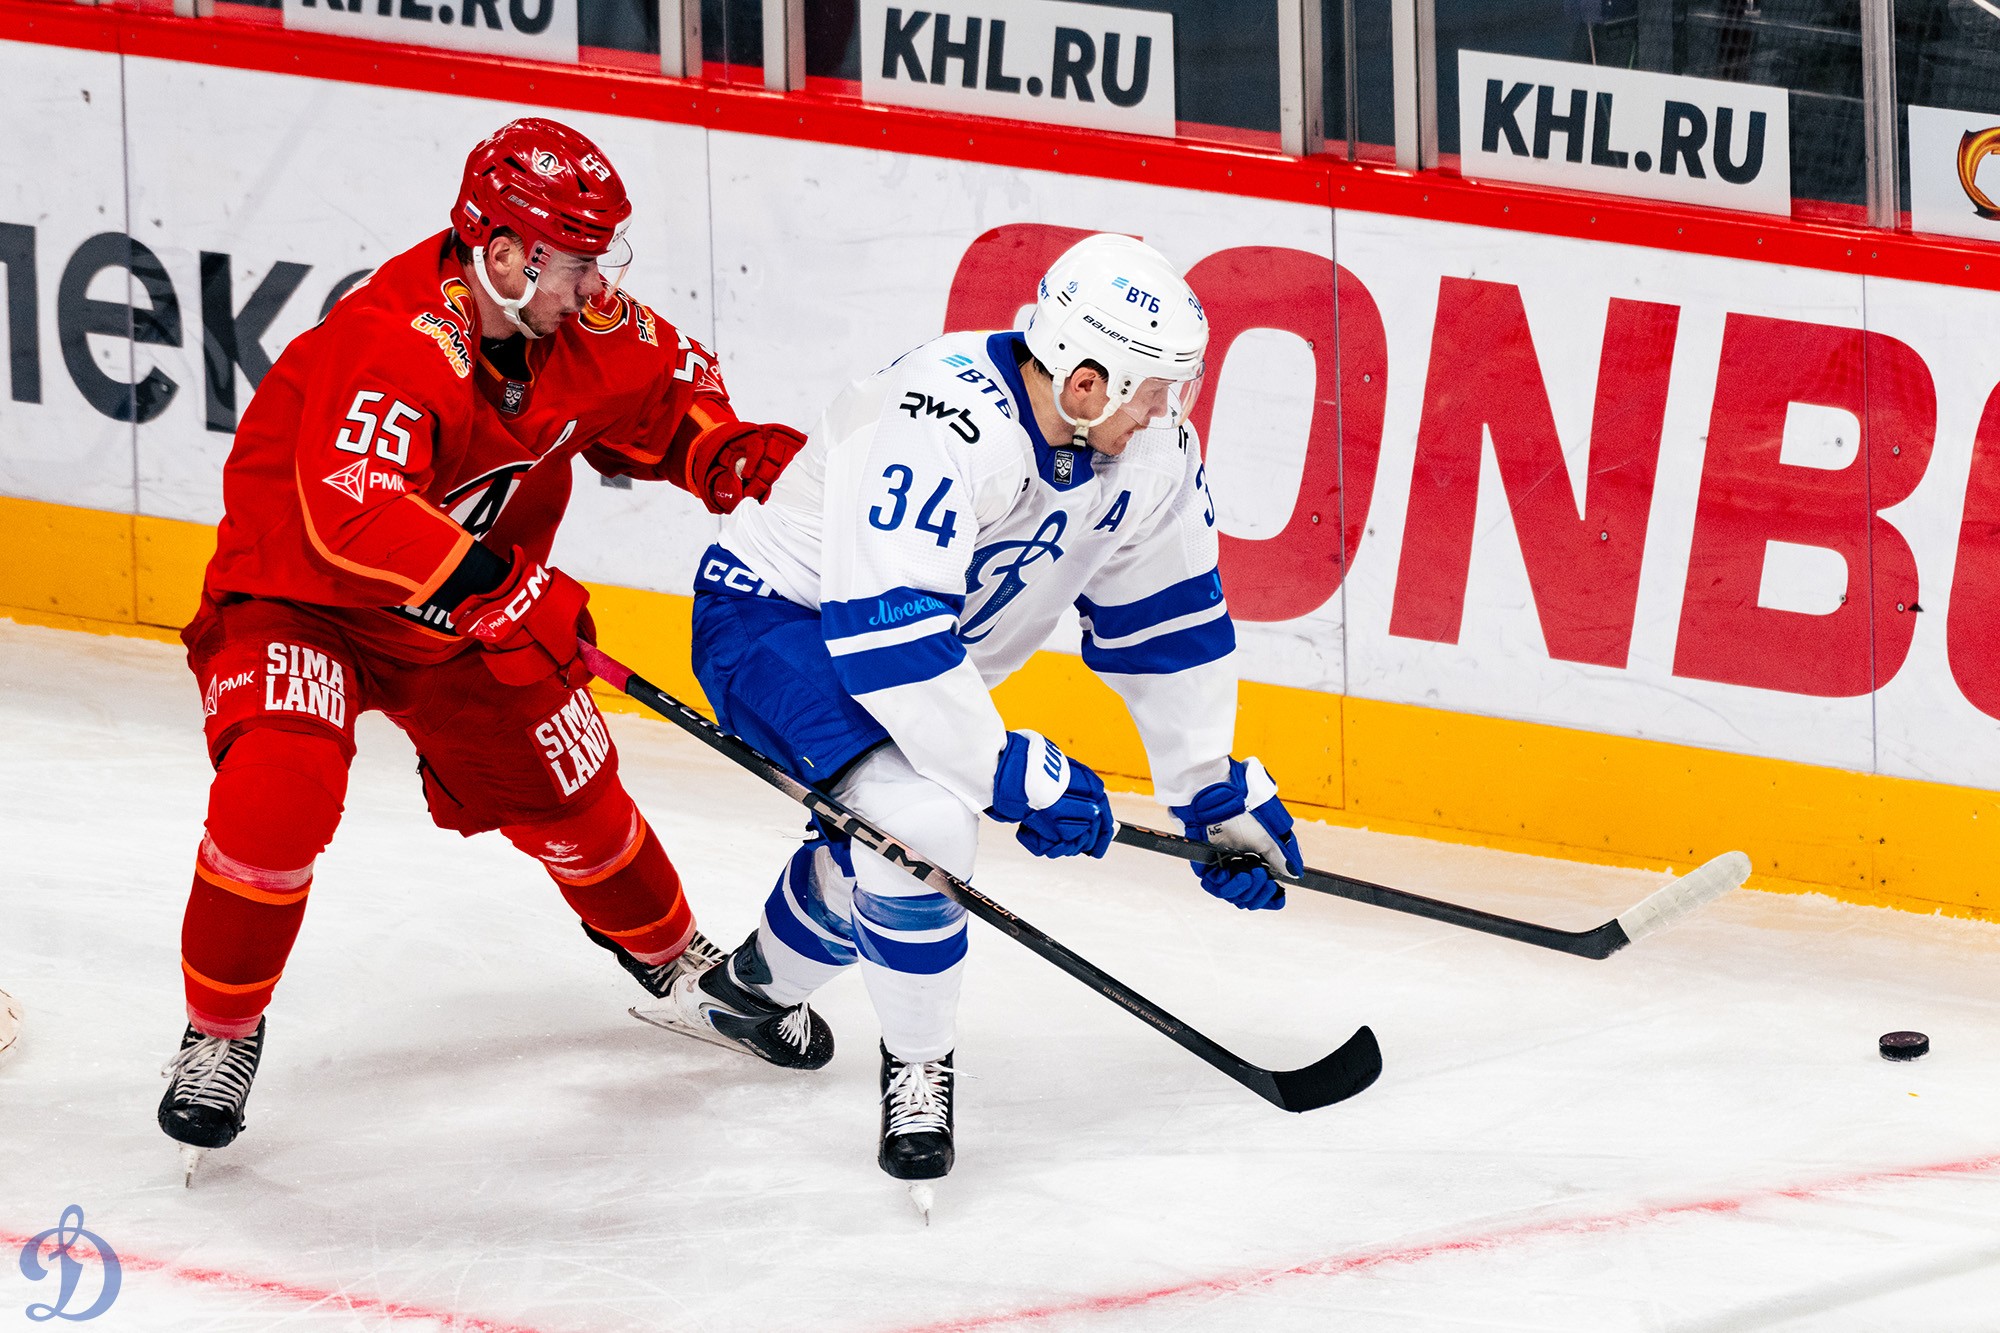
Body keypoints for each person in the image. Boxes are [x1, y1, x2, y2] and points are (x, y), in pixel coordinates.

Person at [158, 118, 808, 1174]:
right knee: (277, 793)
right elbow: (355, 511)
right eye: (576, 258)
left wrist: (718, 450)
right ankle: (220, 1033)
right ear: (502, 253)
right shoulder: (393, 338)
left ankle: (676, 964)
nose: (598, 281)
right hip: (302, 599)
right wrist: (503, 587)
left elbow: (662, 388)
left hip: (463, 615)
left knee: (575, 795)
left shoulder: (574, 315)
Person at [655, 234, 1306, 1188]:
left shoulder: (1149, 452)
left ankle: (746, 992)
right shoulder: (939, 415)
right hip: (779, 624)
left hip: (914, 659)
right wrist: (1004, 773)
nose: (1169, 413)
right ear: (1086, 382)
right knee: (922, 822)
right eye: (1156, 390)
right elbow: (890, 639)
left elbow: (1168, 625)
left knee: (882, 842)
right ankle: (918, 1067)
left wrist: (1208, 790)